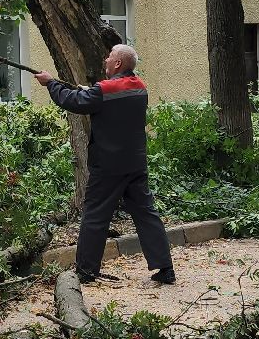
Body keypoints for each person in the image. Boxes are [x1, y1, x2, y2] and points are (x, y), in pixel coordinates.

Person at [33, 45, 176, 286]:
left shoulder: (104, 90)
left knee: (95, 216)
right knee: (146, 214)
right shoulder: (139, 87)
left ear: (118, 63)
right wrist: (92, 91)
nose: (106, 59)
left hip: (108, 166)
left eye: (110, 56)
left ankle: (86, 271)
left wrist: (50, 83)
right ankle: (165, 268)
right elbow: (108, 99)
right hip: (135, 163)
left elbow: (74, 101)